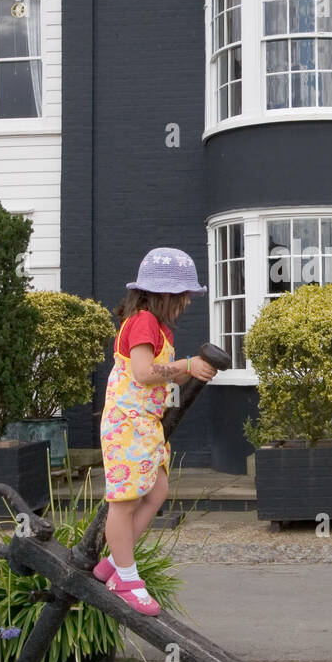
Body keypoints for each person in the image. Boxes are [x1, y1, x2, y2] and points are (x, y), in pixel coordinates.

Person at [97, 248, 216, 615]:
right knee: (126, 500)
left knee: (157, 488)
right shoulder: (144, 321)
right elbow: (144, 373)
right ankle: (126, 579)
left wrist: (191, 370)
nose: (185, 304)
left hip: (144, 423)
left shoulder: (157, 326)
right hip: (128, 422)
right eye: (183, 297)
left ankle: (114, 564)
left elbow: (162, 374)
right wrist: (185, 364)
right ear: (165, 295)